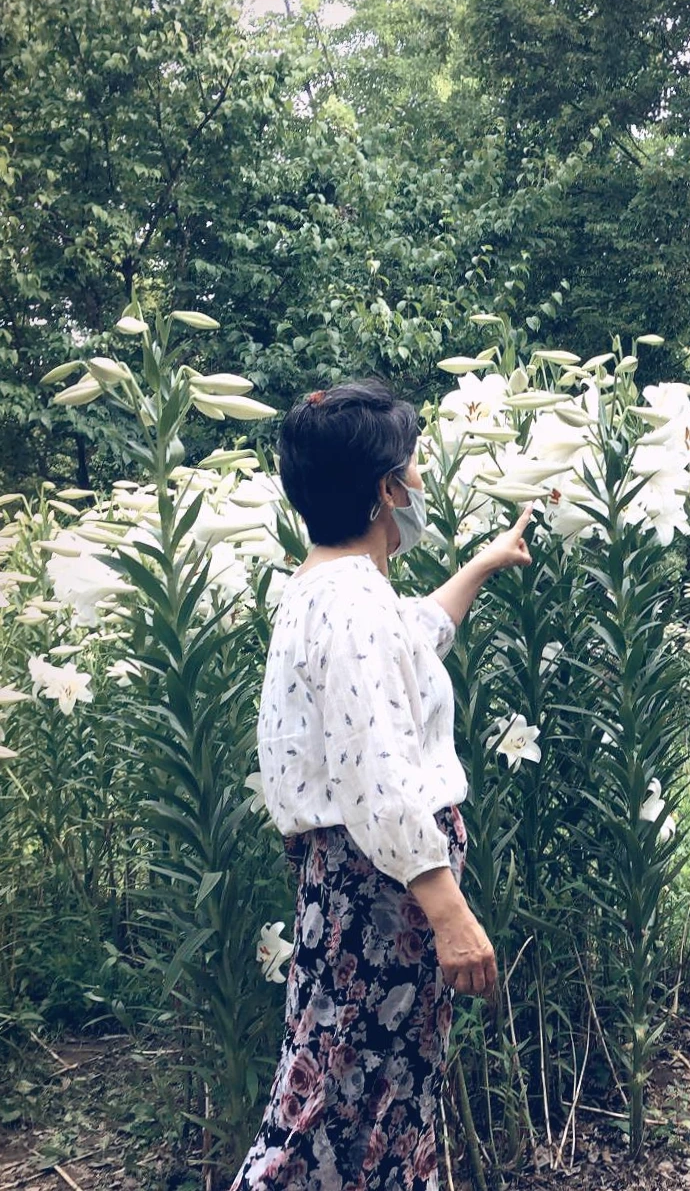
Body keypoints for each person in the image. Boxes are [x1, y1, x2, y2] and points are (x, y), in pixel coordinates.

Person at [232, 380, 531, 1191]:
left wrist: (483, 563)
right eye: (413, 466)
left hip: (356, 887)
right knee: (333, 1112)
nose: (422, 480)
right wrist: (449, 913)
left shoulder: (329, 589)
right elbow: (378, 780)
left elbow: (414, 637)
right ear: (385, 490)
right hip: (381, 900)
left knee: (372, 1103)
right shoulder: (354, 606)